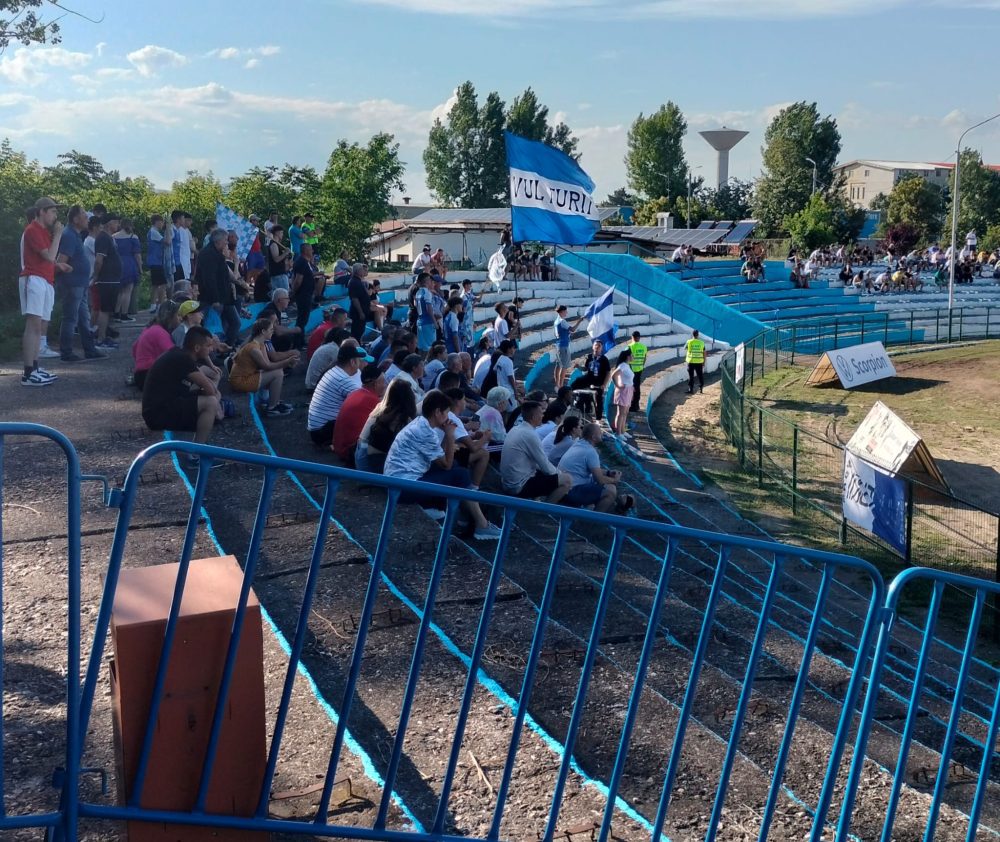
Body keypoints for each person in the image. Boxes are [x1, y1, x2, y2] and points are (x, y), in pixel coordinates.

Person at [383, 390, 502, 539]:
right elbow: (447, 465)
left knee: (456, 466)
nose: (448, 417)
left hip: (399, 481)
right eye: (446, 413)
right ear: (438, 412)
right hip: (402, 488)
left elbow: (443, 458)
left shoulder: (421, 423)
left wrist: (447, 435)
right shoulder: (424, 431)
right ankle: (481, 525)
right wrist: (450, 434)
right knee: (460, 474)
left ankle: (438, 507)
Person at [141, 326, 222, 459]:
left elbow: (209, 388)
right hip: (157, 415)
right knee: (210, 403)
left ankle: (199, 446)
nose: (211, 349)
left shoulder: (181, 355)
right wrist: (216, 408)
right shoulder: (183, 359)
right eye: (208, 346)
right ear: (197, 348)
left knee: (212, 400)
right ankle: (196, 453)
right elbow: (210, 390)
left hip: (163, 406)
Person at [19, 198, 67, 385]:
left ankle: (35, 368)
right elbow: (49, 256)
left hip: (45, 280)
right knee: (33, 326)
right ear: (41, 212)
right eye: (53, 211)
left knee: (39, 327)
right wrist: (58, 235)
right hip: (34, 279)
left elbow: (48, 260)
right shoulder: (32, 230)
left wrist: (58, 266)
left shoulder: (44, 231)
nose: (56, 215)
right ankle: (28, 373)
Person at [55, 205, 104, 363]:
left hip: (80, 284)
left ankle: (90, 350)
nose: (87, 218)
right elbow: (61, 261)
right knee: (71, 318)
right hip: (72, 284)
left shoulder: (75, 234)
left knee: (84, 318)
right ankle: (66, 353)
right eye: (83, 214)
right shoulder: (69, 235)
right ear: (75, 219)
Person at [500, 401, 572, 502]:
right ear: (533, 417)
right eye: (541, 413)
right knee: (567, 480)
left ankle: (535, 503)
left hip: (508, 482)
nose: (543, 416)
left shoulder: (516, 429)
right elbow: (546, 466)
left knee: (543, 473)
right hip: (517, 486)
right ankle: (544, 509)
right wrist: (560, 474)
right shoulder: (529, 434)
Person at [307, 344, 369, 446]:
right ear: (352, 362)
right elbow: (365, 399)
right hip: (323, 431)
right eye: (358, 360)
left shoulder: (334, 372)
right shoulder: (341, 379)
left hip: (318, 429)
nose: (359, 364)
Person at [559, 422, 628, 513]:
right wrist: (615, 480)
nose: (602, 433)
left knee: (607, 483)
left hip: (563, 487)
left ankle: (599, 506)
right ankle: (594, 517)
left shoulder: (579, 443)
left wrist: (608, 472)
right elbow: (600, 480)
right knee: (610, 490)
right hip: (571, 491)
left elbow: (593, 469)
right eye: (600, 432)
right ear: (593, 437)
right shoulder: (590, 452)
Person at [356, 378, 417, 474]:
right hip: (375, 464)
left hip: (363, 457)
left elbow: (362, 439)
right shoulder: (403, 419)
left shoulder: (380, 408)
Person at [195, 228, 241, 348]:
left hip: (224, 297)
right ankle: (216, 350)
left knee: (234, 322)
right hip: (213, 299)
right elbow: (209, 279)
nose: (227, 242)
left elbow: (226, 276)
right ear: (218, 241)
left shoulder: (218, 253)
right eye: (225, 240)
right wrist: (215, 299)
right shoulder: (208, 254)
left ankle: (227, 346)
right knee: (214, 326)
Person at [333, 363, 386, 465]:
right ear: (375, 384)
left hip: (340, 448)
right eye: (383, 382)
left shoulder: (356, 393)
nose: (385, 385)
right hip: (350, 452)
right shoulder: (372, 401)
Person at [132, 301, 181, 389]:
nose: (181, 318)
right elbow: (175, 356)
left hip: (140, 375)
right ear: (169, 317)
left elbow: (134, 347)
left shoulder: (150, 327)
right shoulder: (160, 332)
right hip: (148, 375)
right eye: (178, 315)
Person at [93, 213, 124, 349]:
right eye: (116, 222)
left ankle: (104, 335)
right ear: (109, 223)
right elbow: (99, 260)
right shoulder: (103, 238)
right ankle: (100, 339)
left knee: (108, 310)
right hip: (106, 279)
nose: (118, 225)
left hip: (112, 279)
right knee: (104, 310)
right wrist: (96, 276)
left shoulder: (109, 238)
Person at [575, 339, 612, 421]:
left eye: (599, 346)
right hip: (589, 383)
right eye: (596, 345)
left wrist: (604, 384)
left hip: (599, 384)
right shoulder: (589, 357)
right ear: (593, 347)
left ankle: (598, 419)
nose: (597, 347)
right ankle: (587, 416)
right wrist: (579, 367)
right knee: (585, 398)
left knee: (598, 402)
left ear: (601, 348)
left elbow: (608, 372)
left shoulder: (604, 359)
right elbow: (585, 368)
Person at [113, 219, 142, 322]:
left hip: (117, 263)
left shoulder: (114, 237)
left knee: (120, 291)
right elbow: (137, 255)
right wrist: (140, 268)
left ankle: (116, 313)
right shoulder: (133, 237)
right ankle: (124, 314)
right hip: (129, 263)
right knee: (127, 291)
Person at [552, 304, 580, 389]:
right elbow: (573, 329)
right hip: (563, 345)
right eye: (565, 311)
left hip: (558, 344)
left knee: (558, 365)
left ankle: (557, 384)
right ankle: (561, 386)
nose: (566, 313)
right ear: (562, 311)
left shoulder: (556, 321)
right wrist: (579, 321)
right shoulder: (562, 321)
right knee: (564, 366)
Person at [610, 349, 635, 436]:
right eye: (632, 355)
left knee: (625, 412)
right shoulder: (623, 365)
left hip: (628, 389)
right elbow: (614, 375)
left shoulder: (627, 366)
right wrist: (617, 385)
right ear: (628, 357)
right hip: (623, 391)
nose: (633, 357)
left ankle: (622, 431)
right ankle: (618, 433)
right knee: (620, 413)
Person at [347, 262, 372, 341]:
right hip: (357, 313)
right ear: (358, 271)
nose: (363, 271)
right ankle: (355, 345)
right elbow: (355, 299)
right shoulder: (354, 282)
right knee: (356, 332)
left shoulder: (358, 281)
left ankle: (358, 343)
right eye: (362, 269)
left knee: (360, 331)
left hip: (363, 310)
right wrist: (361, 312)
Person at [627, 330, 647, 413]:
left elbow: (627, 359)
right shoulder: (643, 347)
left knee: (631, 388)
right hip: (639, 369)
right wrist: (641, 366)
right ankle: (636, 405)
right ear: (639, 338)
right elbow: (645, 358)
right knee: (637, 387)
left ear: (632, 337)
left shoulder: (630, 346)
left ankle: (632, 405)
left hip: (631, 370)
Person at [685, 329, 705, 394]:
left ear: (692, 334)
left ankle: (691, 389)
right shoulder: (701, 343)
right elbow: (704, 352)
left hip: (691, 361)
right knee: (700, 375)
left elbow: (685, 348)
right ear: (698, 335)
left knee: (691, 376)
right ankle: (701, 388)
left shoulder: (689, 341)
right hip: (699, 361)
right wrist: (704, 361)